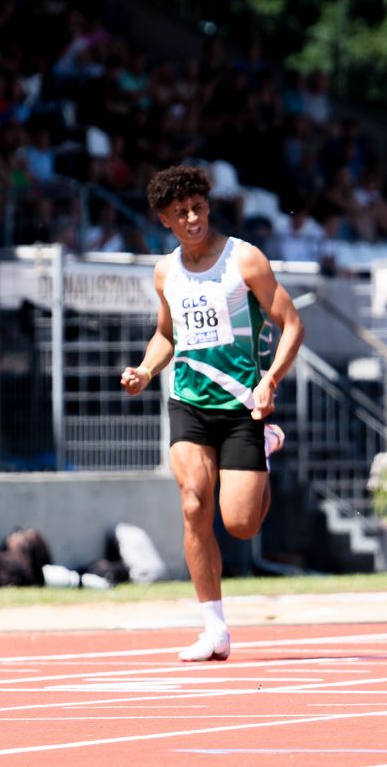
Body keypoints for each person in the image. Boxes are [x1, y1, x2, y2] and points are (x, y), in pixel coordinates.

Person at [120, 165, 304, 662]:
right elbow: (166, 335)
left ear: (208, 204)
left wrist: (269, 382)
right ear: (165, 220)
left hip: (244, 405)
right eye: (181, 213)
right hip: (190, 403)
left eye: (198, 207)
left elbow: (291, 325)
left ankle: (265, 446)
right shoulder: (165, 273)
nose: (193, 218)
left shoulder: (244, 260)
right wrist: (144, 370)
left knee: (241, 525)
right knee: (194, 505)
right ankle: (214, 628)